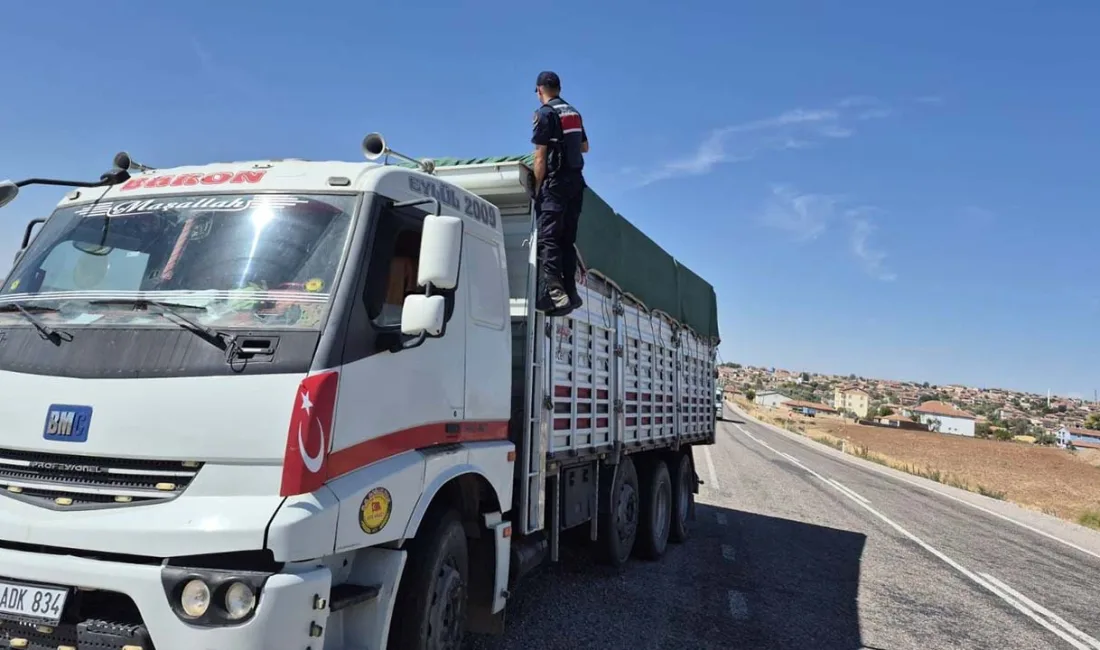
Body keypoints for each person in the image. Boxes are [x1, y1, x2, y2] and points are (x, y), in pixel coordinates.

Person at [530, 70, 588, 316]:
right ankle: (571, 293)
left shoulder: (544, 114)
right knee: (566, 239)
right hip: (576, 183)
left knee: (549, 239)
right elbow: (584, 147)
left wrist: (536, 188)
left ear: (539, 90)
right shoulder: (573, 113)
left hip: (555, 183)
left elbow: (540, 157)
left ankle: (554, 292)